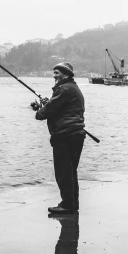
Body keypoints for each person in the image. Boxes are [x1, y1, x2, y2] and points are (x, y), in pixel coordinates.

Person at [31, 62, 86, 215]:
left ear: (66, 75)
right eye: (53, 72)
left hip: (66, 135)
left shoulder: (64, 89)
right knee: (70, 172)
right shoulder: (71, 88)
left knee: (63, 172)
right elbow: (58, 108)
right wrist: (46, 106)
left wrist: (39, 112)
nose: (54, 76)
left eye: (57, 73)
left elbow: (48, 110)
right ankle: (72, 204)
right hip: (76, 134)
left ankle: (67, 205)